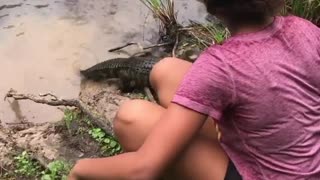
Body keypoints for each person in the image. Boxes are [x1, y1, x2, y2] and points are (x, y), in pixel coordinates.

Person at [68, 0, 320, 179]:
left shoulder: (220, 65)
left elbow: (142, 170)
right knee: (166, 70)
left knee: (131, 119)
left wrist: (81, 170)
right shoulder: (304, 29)